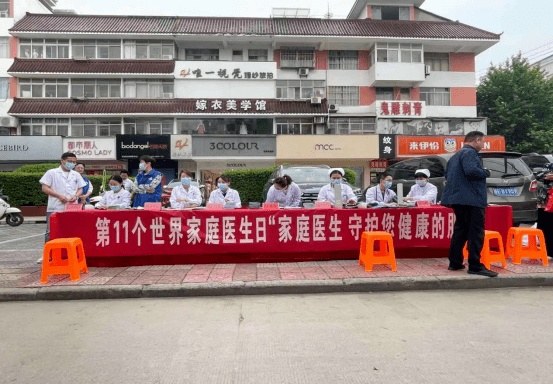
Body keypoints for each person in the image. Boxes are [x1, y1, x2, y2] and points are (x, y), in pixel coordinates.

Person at [441, 131, 497, 277]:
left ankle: (455, 262)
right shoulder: (470, 153)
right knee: (476, 232)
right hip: (472, 199)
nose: (483, 145)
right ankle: (475, 265)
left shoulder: (455, 156)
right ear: (477, 140)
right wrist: (486, 172)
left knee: (461, 230)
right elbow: (472, 171)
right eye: (482, 142)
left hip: (457, 199)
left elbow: (447, 175)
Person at [39, 152, 87, 243]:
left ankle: (69, 253)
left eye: (74, 162)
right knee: (51, 231)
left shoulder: (76, 174)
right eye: (69, 161)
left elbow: (80, 188)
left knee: (71, 231)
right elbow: (44, 188)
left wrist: (76, 196)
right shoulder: (52, 173)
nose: (72, 164)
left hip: (72, 207)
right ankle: (49, 254)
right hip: (55, 207)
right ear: (62, 161)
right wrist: (59, 196)